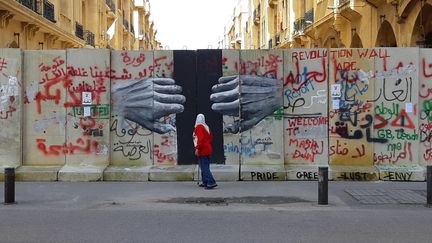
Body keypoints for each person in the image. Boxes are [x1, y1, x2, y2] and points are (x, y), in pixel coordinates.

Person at [193, 114, 217, 189]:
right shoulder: (206, 126)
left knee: (204, 167)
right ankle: (205, 181)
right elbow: (210, 137)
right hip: (207, 148)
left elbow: (200, 139)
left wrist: (197, 148)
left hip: (202, 149)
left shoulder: (199, 127)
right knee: (204, 166)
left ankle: (211, 182)